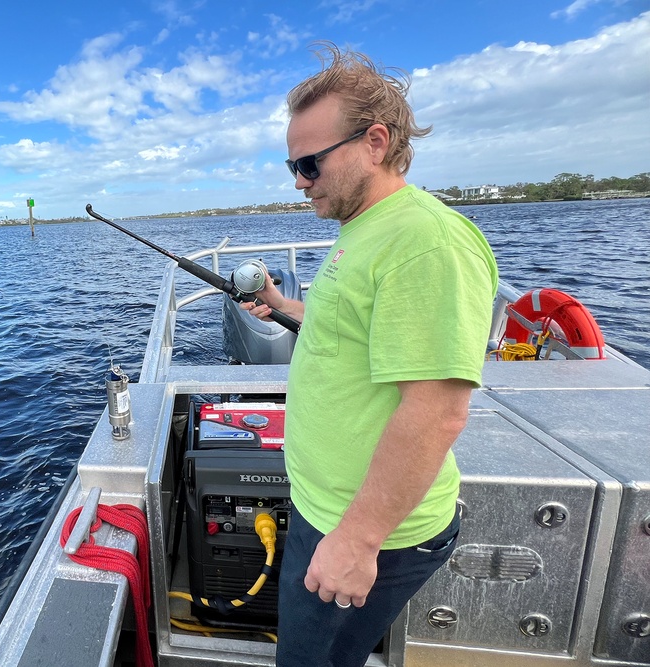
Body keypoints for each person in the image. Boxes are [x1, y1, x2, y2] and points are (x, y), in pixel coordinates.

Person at [241, 43, 498, 666]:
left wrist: (357, 539)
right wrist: (281, 304)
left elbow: (437, 412)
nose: (300, 183)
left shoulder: (424, 243)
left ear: (375, 142)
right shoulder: (364, 231)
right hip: (322, 508)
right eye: (291, 166)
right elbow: (349, 329)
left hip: (361, 529)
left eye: (310, 164)